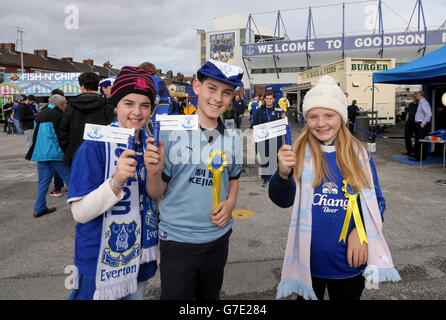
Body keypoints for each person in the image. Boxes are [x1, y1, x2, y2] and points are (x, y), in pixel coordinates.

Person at [269, 75, 400, 300]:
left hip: (349, 263)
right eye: (313, 117)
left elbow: (377, 201)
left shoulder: (359, 155)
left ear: (341, 117)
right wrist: (282, 172)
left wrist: (362, 233)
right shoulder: (298, 153)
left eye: (329, 115)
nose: (321, 123)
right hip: (309, 263)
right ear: (305, 119)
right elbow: (282, 200)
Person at [145, 59, 243, 300]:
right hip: (178, 240)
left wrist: (230, 203)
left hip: (218, 238)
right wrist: (154, 172)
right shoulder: (170, 133)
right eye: (212, 88)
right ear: (196, 86)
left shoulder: (233, 138)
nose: (218, 98)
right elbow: (155, 193)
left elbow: (233, 179)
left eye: (227, 93)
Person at [67, 66, 159, 300]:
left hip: (139, 258)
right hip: (98, 262)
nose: (137, 112)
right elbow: (80, 213)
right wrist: (116, 182)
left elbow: (155, 199)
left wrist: (156, 172)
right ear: (115, 104)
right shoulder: (93, 146)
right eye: (128, 103)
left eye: (145, 105)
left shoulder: (151, 145)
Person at [25, 94, 71, 218]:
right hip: (55, 154)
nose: (66, 106)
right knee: (71, 180)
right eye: (65, 104)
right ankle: (80, 209)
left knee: (43, 183)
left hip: (40, 154)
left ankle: (39, 208)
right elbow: (60, 136)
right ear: (60, 104)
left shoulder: (40, 114)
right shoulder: (57, 114)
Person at [58, 72, 115, 167]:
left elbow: (63, 131)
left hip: (75, 154)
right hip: (101, 155)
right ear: (97, 86)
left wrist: (68, 150)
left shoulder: (70, 106)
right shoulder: (107, 106)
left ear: (83, 86)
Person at [253, 90, 286, 187]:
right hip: (263, 139)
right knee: (264, 157)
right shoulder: (259, 110)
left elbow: (284, 124)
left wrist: (284, 118)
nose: (269, 100)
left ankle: (274, 178)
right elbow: (255, 124)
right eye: (267, 99)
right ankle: (265, 179)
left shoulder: (279, 110)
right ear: (264, 99)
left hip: (275, 138)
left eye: (270, 99)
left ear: (274, 99)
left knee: (275, 158)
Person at [410, 91, 432, 161]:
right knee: (419, 140)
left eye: (417, 95)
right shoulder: (420, 103)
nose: (416, 96)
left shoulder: (424, 103)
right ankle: (421, 156)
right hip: (419, 124)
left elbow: (429, 114)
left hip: (421, 125)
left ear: (420, 95)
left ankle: (419, 157)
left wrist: (423, 123)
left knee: (419, 141)